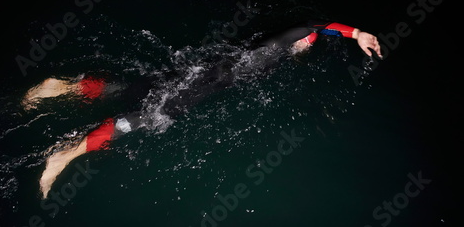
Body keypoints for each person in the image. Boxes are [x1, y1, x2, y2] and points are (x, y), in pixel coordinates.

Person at [25, 19, 381, 198]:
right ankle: (65, 155)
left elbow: (320, 30)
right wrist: (356, 33)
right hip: (204, 81)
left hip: (203, 66)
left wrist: (342, 34)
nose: (308, 44)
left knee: (135, 88)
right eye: (308, 42)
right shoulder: (279, 45)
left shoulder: (266, 47)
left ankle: (66, 87)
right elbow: (316, 26)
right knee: (150, 118)